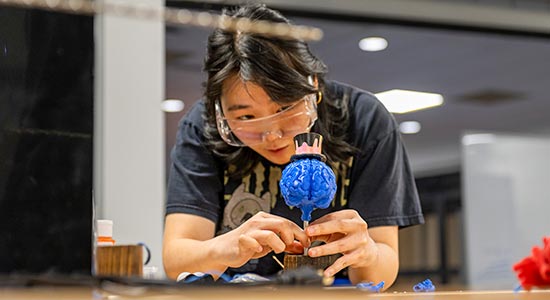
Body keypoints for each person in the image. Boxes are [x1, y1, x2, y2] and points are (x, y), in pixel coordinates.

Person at [163, 3, 423, 289]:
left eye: (286, 107)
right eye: (246, 117)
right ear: (220, 111)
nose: (272, 135)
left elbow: (378, 272)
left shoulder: (364, 120)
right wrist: (226, 247)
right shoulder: (201, 127)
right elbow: (177, 260)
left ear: (313, 86)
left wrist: (368, 252)